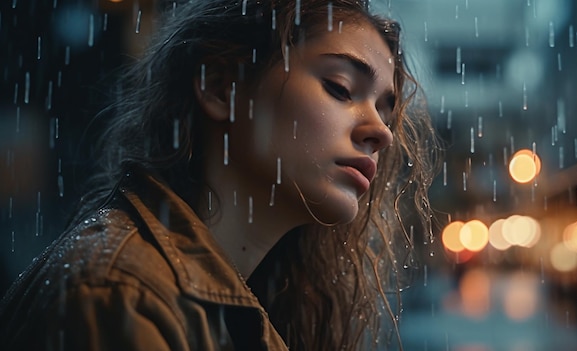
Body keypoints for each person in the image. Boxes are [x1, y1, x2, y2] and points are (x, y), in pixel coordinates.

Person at [0, 0, 438, 350]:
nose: (380, 132)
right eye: (341, 88)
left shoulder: (247, 304)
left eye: (387, 110)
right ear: (221, 87)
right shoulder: (121, 295)